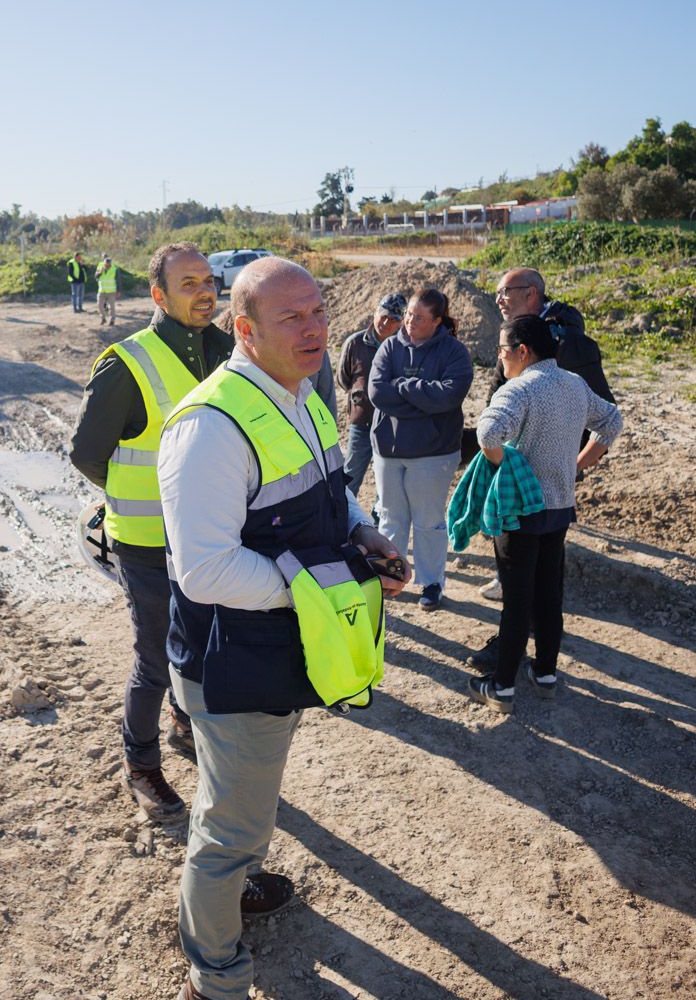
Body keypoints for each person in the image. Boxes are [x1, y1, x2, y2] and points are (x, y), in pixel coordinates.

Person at [159, 256, 408, 1000]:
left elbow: (331, 492)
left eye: (319, 312)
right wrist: (324, 592)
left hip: (273, 650)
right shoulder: (211, 426)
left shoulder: (304, 394)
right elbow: (203, 570)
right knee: (230, 828)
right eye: (291, 318)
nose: (314, 329)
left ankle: (236, 890)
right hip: (231, 663)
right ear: (244, 329)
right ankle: (218, 972)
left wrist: (364, 539)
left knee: (247, 803)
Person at [69, 243, 232, 822]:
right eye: (188, 283)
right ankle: (141, 765)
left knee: (210, 641)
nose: (204, 290)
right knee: (155, 657)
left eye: (209, 280)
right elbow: (88, 454)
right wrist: (133, 496)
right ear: (158, 295)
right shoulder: (127, 363)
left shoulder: (228, 352)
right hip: (145, 541)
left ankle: (185, 722)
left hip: (213, 536)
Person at [463, 314, 622, 713]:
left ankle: (501, 686)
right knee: (549, 593)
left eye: (502, 350)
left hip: (519, 511)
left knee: (517, 600)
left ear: (522, 351)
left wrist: (507, 467)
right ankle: (545, 673)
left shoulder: (519, 390)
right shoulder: (573, 383)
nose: (499, 359)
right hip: (559, 507)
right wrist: (578, 465)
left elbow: (486, 435)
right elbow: (612, 421)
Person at [472, 267, 614, 603]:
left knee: (543, 560)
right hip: (514, 456)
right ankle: (520, 604)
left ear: (531, 293)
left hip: (546, 468)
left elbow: (604, 412)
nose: (498, 299)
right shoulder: (517, 335)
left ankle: (526, 628)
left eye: (505, 291)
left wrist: (575, 465)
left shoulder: (566, 343)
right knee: (521, 547)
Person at [368, 288, 474, 612]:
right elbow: (377, 393)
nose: (411, 322)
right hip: (388, 449)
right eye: (410, 314)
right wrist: (422, 400)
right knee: (391, 518)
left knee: (428, 522)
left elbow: (448, 397)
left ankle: (431, 583)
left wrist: (404, 387)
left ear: (438, 321)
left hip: (432, 453)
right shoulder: (389, 347)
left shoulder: (454, 353)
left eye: (420, 318)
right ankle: (391, 576)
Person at [336, 292, 406, 498]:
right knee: (351, 474)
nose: (386, 322)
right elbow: (344, 379)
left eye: (393, 320)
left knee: (387, 480)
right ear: (375, 312)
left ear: (400, 323)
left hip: (393, 425)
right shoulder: (355, 343)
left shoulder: (404, 347)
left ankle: (378, 524)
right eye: (383, 315)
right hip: (362, 420)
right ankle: (343, 520)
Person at [96, 255, 120, 326]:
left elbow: (118, 281)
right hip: (101, 290)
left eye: (108, 264)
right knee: (99, 305)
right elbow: (96, 276)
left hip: (111, 291)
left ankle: (112, 320)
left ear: (110, 264)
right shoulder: (100, 268)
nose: (107, 265)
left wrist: (118, 290)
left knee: (112, 307)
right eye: (105, 264)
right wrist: (99, 272)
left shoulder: (115, 269)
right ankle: (103, 318)